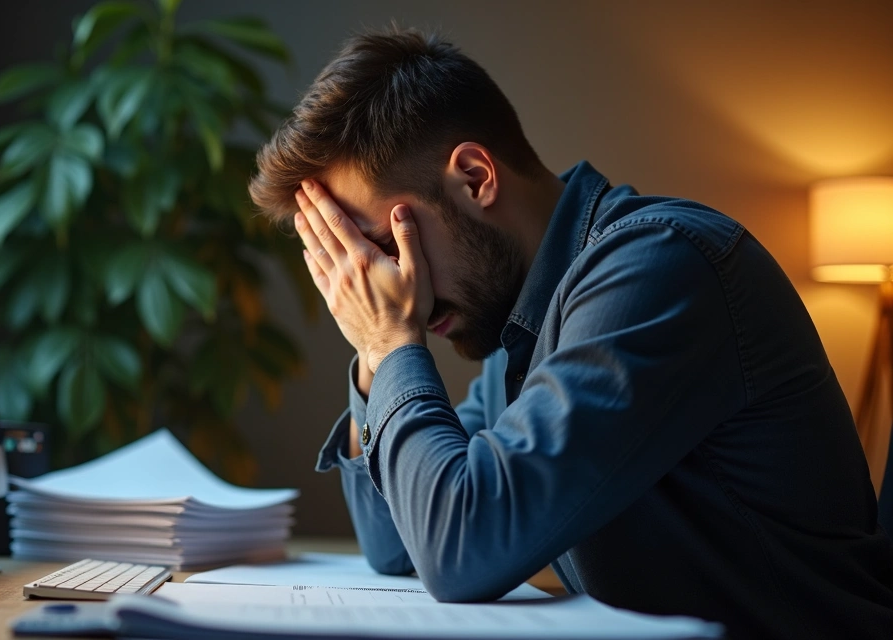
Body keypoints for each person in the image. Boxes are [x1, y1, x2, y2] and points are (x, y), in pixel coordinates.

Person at [248, 26, 893, 639]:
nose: (390, 285)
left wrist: (391, 342)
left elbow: (460, 549)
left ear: (475, 178)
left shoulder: (656, 269)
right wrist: (371, 352)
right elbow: (398, 545)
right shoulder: (522, 333)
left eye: (384, 249)